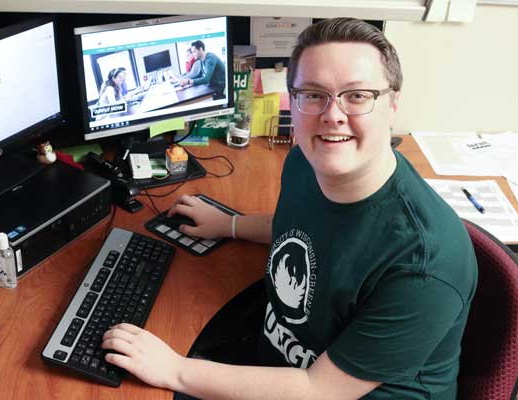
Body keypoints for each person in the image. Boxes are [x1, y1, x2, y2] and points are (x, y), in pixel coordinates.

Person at [102, 18, 478, 400]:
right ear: (293, 102)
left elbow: (320, 389)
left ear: (392, 103)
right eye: (314, 94)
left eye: (357, 95)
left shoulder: (424, 263)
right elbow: (305, 228)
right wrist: (231, 225)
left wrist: (177, 372)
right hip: (282, 364)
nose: (332, 114)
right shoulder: (304, 162)